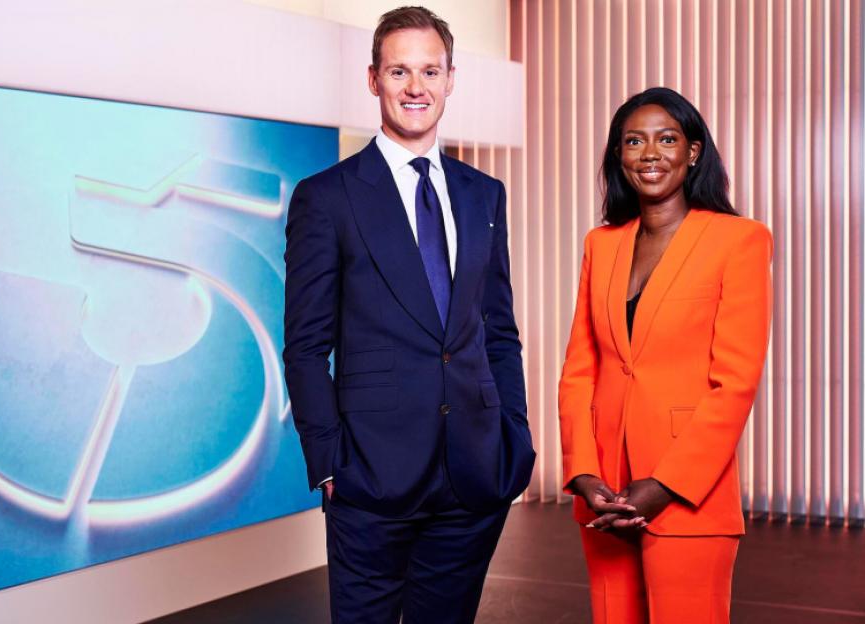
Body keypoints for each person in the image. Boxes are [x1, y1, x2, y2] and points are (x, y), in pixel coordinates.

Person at [282, 6, 535, 623]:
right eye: (399, 71)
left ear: (451, 79)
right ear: (374, 79)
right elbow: (306, 347)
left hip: (474, 474)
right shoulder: (327, 197)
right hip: (370, 477)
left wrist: (515, 440)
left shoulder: (484, 195)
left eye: (429, 70)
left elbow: (497, 329)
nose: (415, 87)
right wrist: (328, 466)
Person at [558, 86, 773, 623]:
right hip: (605, 493)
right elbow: (579, 372)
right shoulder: (601, 244)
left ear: (693, 151)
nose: (650, 153)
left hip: (686, 492)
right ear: (618, 155)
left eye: (666, 139)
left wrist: (665, 484)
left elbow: (736, 383)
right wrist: (584, 474)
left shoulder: (739, 240)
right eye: (634, 141)